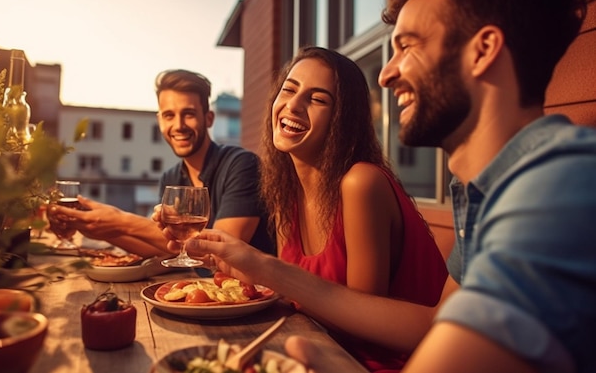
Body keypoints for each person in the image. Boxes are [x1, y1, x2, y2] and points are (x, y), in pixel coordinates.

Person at [186, 0, 596, 372]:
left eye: (408, 46)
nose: (385, 73)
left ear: (483, 51)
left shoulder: (556, 185)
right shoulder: (479, 191)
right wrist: (265, 272)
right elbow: (436, 324)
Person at [166, 46, 447, 372]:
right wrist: (222, 260)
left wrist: (263, 267)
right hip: (318, 347)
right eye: (289, 89)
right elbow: (290, 292)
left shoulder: (360, 183)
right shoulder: (286, 191)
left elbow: (358, 326)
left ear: (343, 118)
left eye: (318, 99)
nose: (293, 105)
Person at [49, 69, 274, 258]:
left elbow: (221, 252)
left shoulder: (243, 165)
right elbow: (166, 249)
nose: (178, 125)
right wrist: (101, 229)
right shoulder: (172, 178)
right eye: (169, 115)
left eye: (188, 114)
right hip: (195, 296)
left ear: (209, 118)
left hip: (251, 300)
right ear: (159, 121)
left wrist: (121, 220)